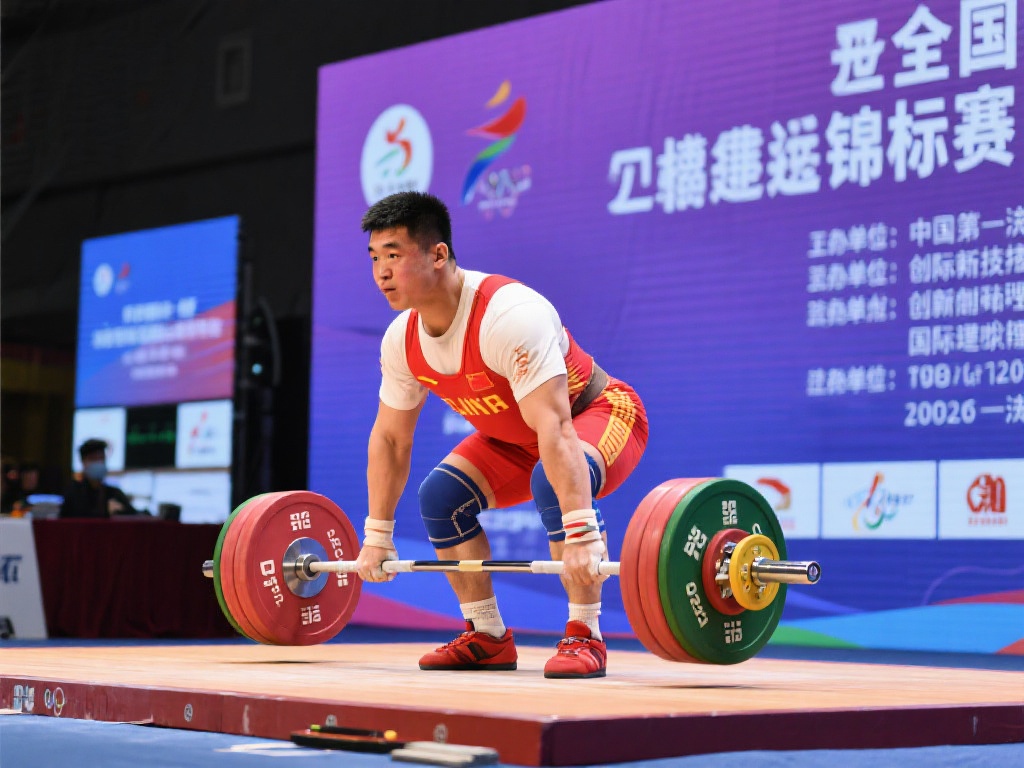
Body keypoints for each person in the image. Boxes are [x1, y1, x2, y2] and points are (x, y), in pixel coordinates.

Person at [353, 192, 648, 679]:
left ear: (438, 254)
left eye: (394, 255)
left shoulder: (508, 314)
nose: (381, 272)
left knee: (552, 483)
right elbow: (390, 439)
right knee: (441, 497)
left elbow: (554, 428)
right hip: (515, 439)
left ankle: (585, 633)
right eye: (374, 258)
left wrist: (581, 533)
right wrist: (377, 537)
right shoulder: (400, 339)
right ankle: (486, 636)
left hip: (595, 414)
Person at [59, 438, 140, 518]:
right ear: (83, 462)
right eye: (93, 459)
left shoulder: (115, 494)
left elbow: (135, 518)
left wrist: (119, 513)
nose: (99, 462)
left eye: (101, 458)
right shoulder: (73, 493)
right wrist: (106, 512)